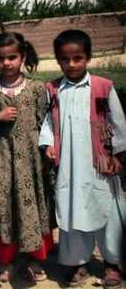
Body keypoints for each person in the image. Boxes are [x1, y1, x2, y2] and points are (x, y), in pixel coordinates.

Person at [39, 29, 126, 288]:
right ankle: (78, 262)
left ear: (87, 57)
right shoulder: (53, 90)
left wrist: (119, 157)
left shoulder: (103, 86)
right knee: (72, 210)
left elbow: (119, 123)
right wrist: (47, 144)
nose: (72, 64)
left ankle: (112, 263)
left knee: (107, 210)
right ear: (58, 60)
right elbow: (47, 122)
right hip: (69, 166)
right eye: (65, 59)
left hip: (99, 165)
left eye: (78, 58)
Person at [0, 32, 53, 283]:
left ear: (23, 57)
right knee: (6, 206)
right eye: (1, 59)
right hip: (0, 160)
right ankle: (8, 260)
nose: (7, 63)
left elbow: (46, 122)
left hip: (30, 161)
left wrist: (46, 152)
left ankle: (35, 258)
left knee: (31, 206)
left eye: (13, 57)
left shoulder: (36, 88)